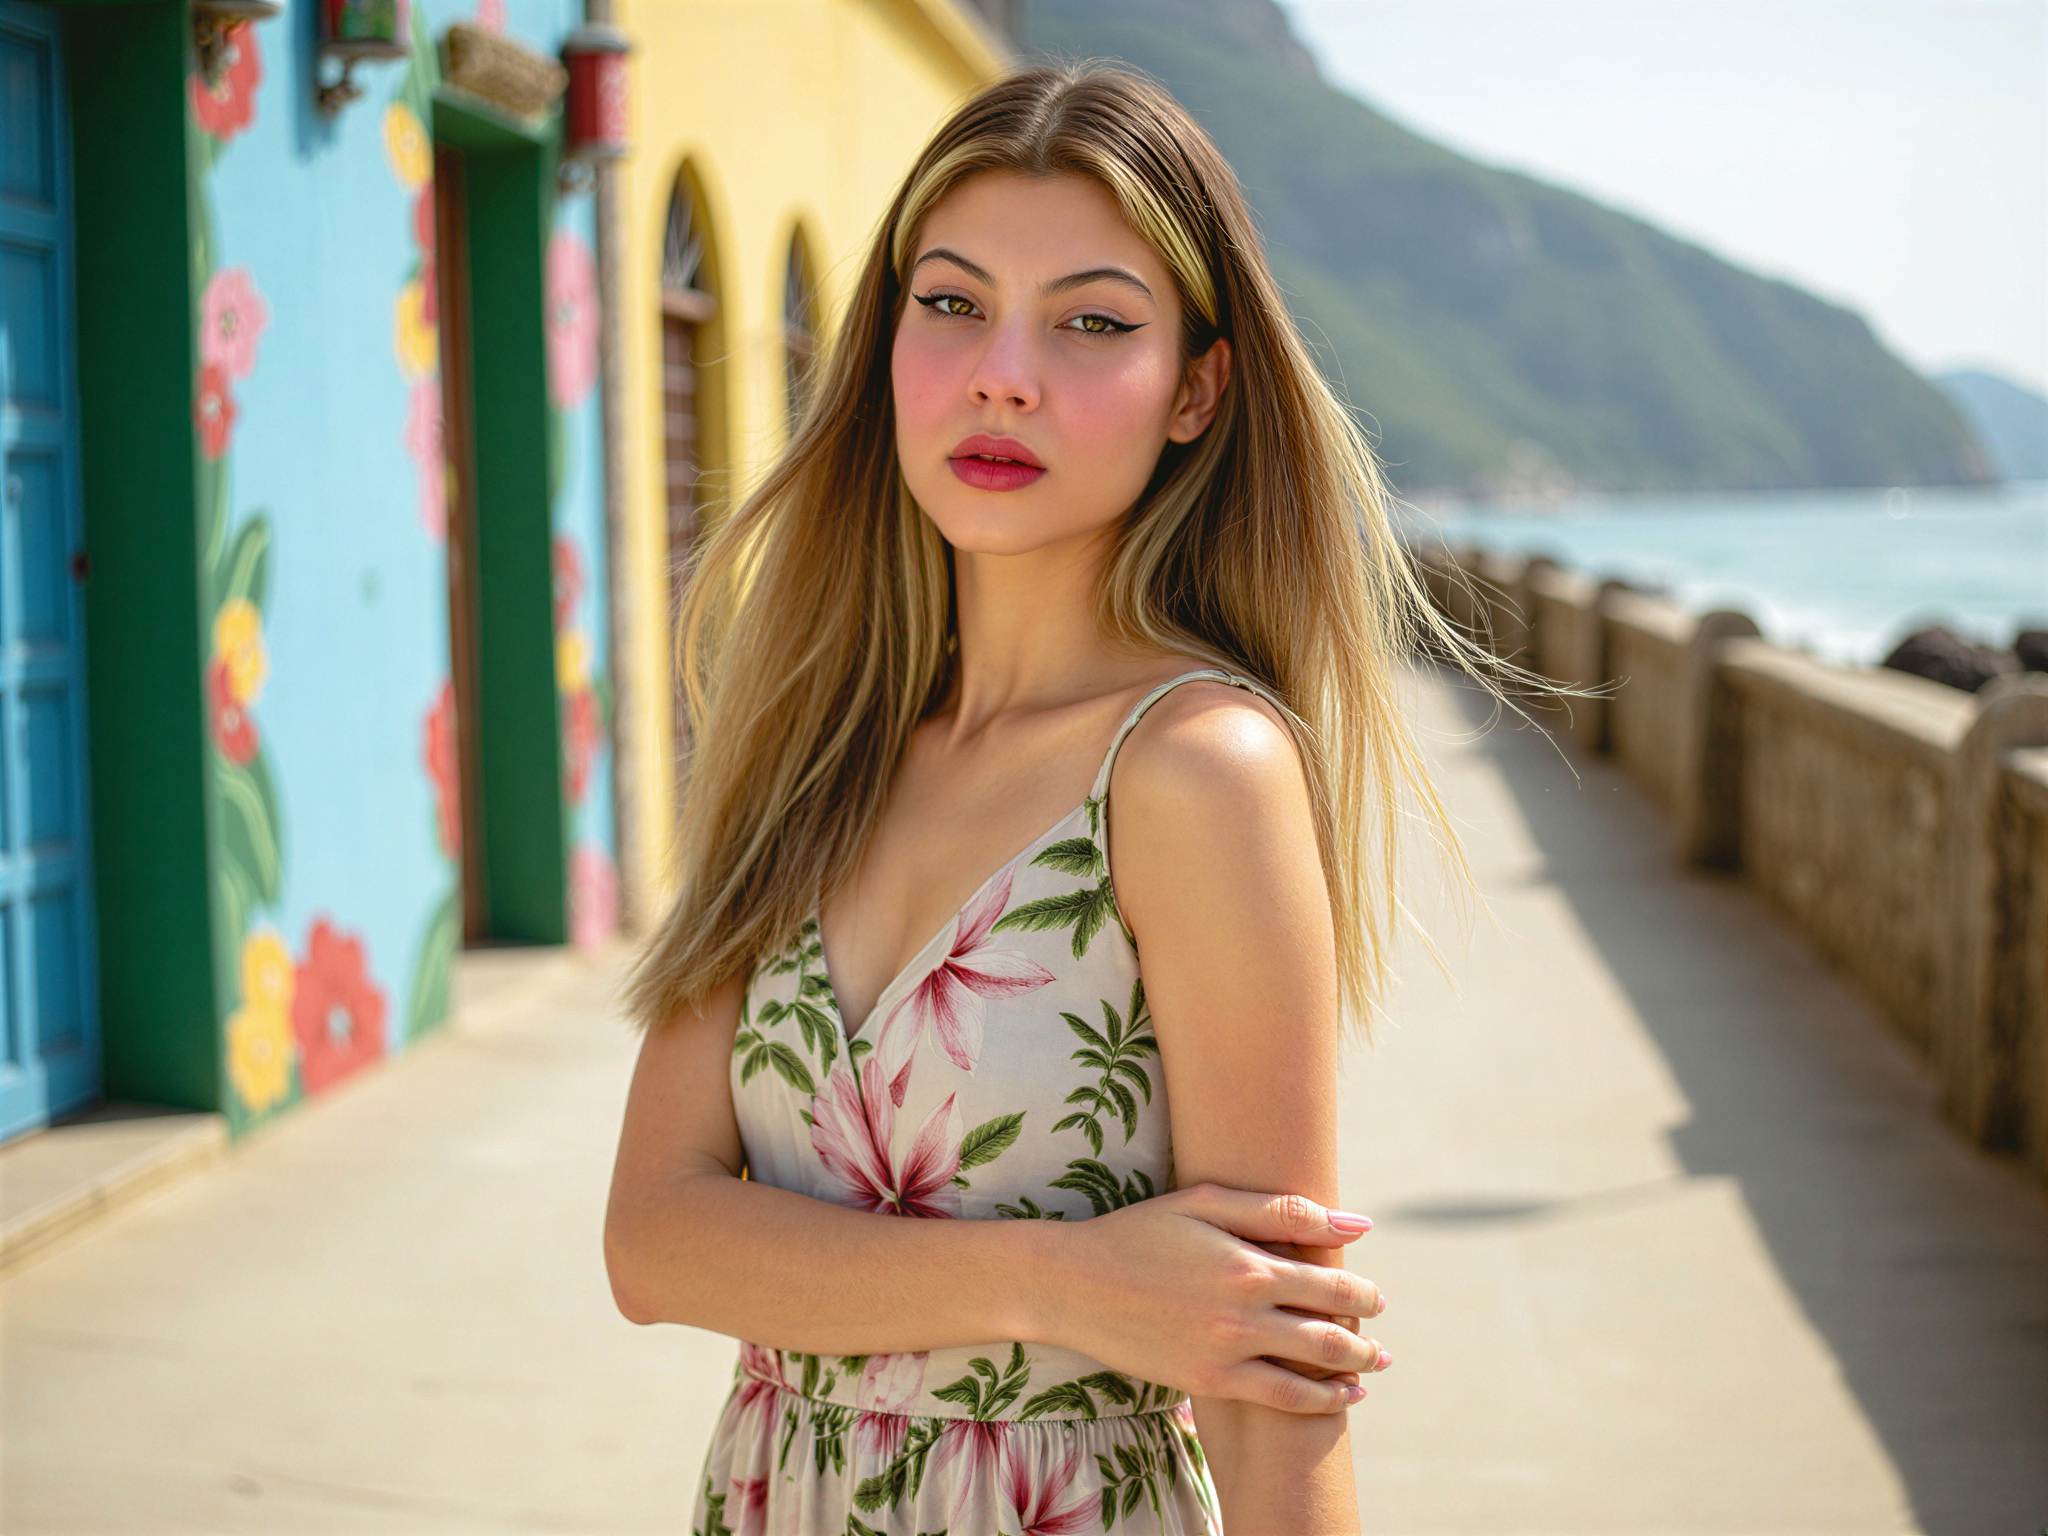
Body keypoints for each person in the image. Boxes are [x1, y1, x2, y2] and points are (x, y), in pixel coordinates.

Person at [606, 62, 1469, 1534]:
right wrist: (1062, 1285)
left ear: (1197, 388)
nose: (1004, 372)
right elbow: (654, 1243)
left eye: (1091, 323)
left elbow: (1276, 1379)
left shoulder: (1197, 772)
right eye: (950, 304)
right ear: (887, 344)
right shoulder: (815, 740)